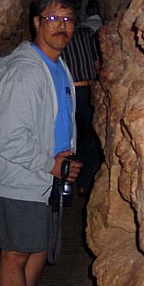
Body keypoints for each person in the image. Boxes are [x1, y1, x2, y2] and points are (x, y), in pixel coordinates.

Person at [0, 0, 82, 286]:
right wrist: (50, 163)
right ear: (37, 23)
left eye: (68, 20)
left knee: (37, 249)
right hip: (18, 177)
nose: (62, 27)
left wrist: (62, 160)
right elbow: (8, 138)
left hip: (44, 177)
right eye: (53, 19)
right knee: (16, 253)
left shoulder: (56, 65)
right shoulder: (26, 72)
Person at [60, 19, 102, 198]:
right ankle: (83, 182)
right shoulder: (86, 34)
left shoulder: (59, 37)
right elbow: (97, 64)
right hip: (85, 89)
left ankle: (65, 184)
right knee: (88, 137)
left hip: (66, 90)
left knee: (69, 136)